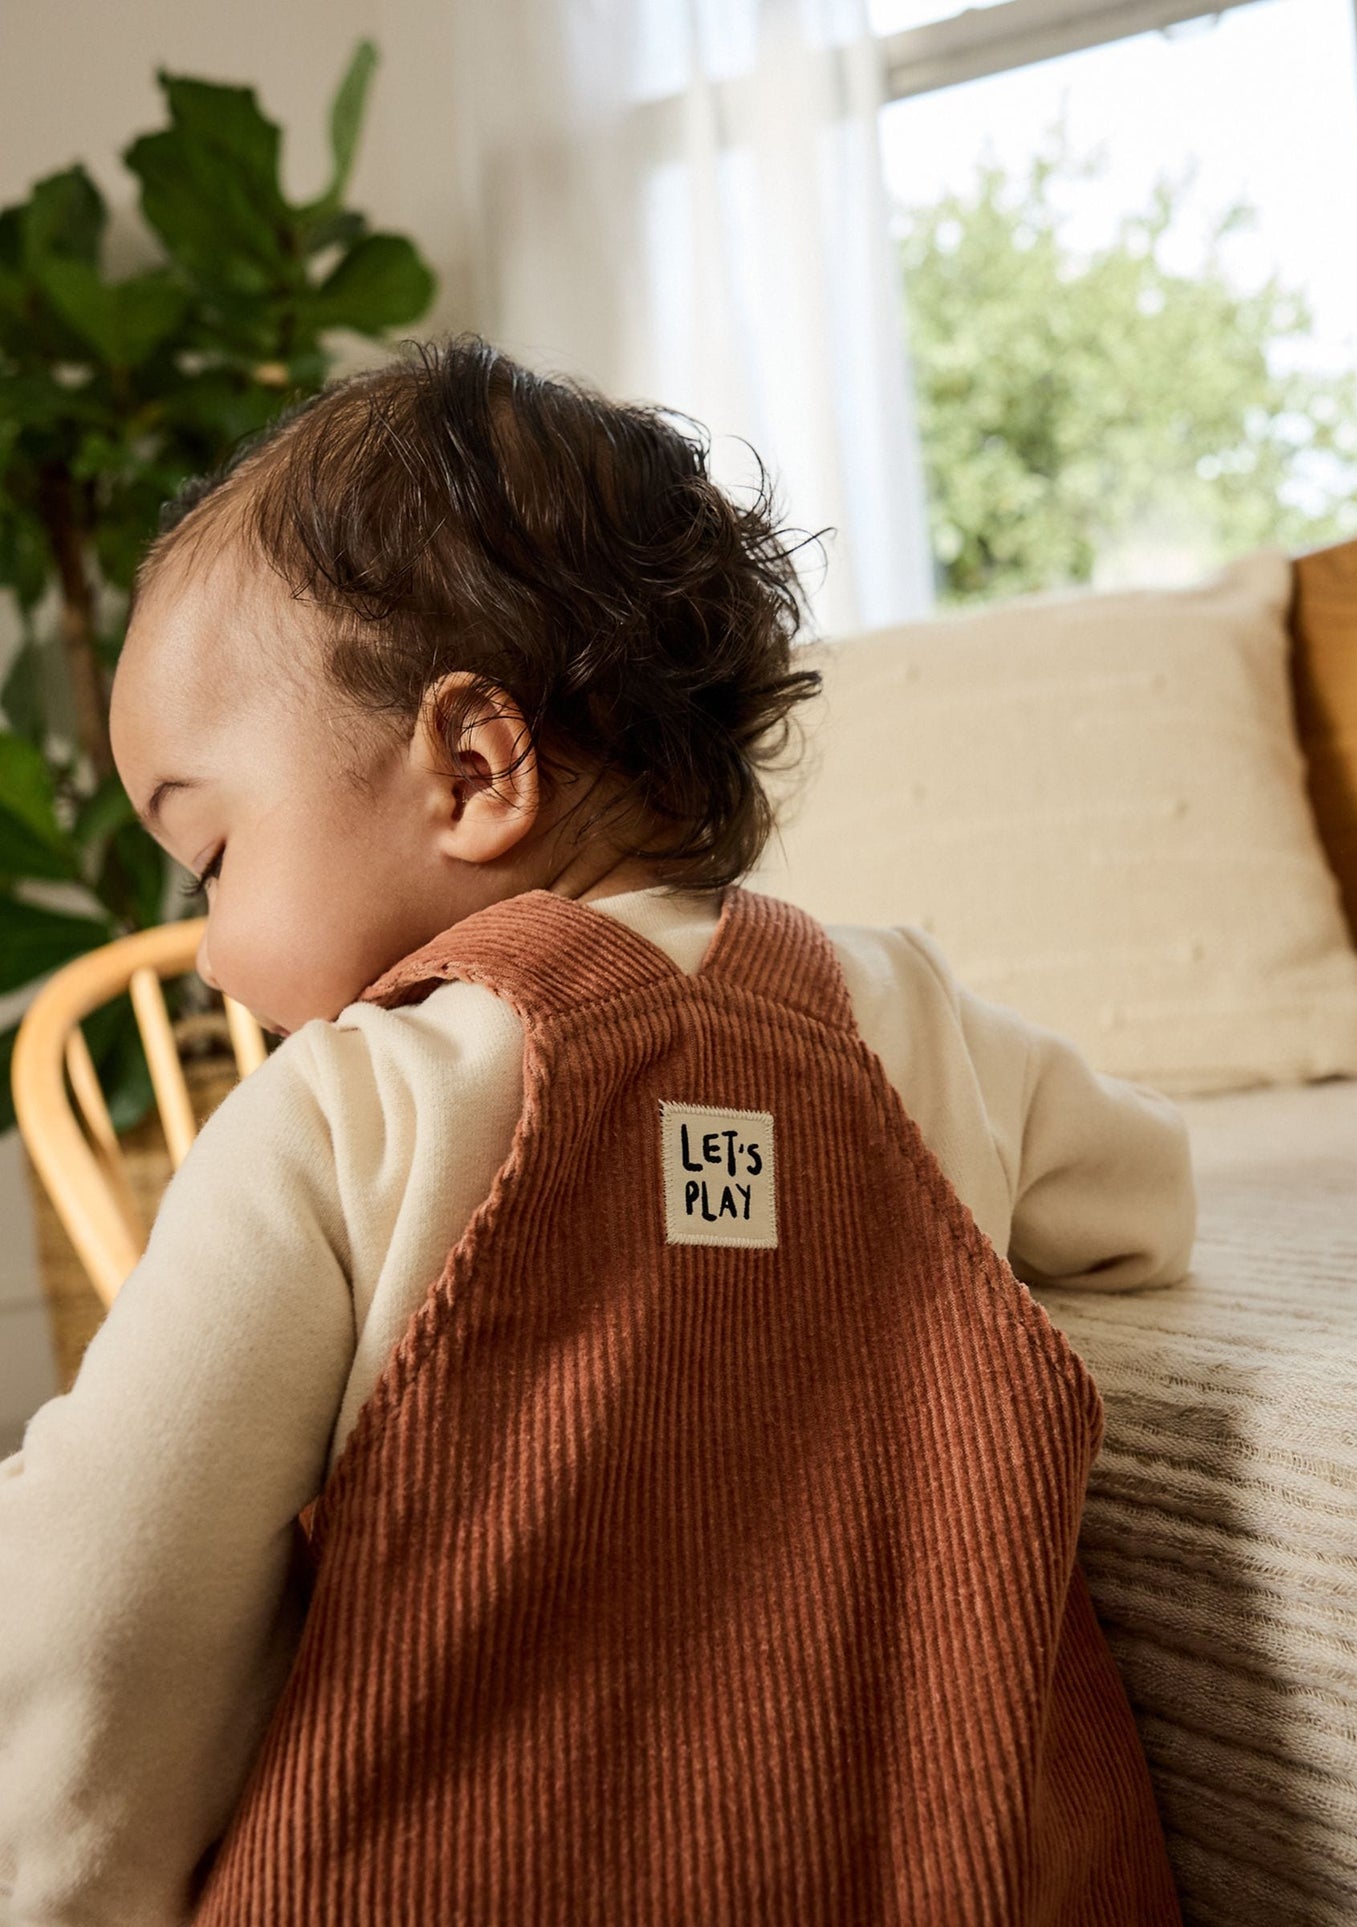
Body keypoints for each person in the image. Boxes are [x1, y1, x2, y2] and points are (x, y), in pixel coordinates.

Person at [0, 337, 1194, 1924]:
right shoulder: (902, 1013)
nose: (209, 950)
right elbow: (1142, 1201)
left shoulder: (351, 1108)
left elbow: (104, 1594)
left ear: (477, 766)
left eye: (212, 856)